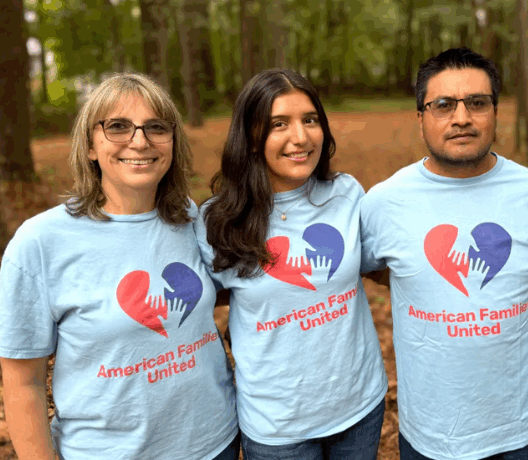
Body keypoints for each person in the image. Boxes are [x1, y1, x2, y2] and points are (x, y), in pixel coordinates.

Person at [0, 73, 239, 460]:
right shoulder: (41, 243)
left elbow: (229, 288)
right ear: (90, 146)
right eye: (118, 127)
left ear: (173, 142)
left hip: (215, 444)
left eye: (156, 127)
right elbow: (22, 382)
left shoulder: (188, 218)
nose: (140, 141)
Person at [360, 48, 528, 460]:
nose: (462, 117)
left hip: (520, 429)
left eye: (477, 103)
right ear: (420, 117)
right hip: (430, 433)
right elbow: (374, 269)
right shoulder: (384, 203)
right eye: (444, 104)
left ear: (496, 112)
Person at [194, 69, 387, 460]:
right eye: (278, 124)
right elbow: (204, 303)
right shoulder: (217, 221)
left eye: (310, 120)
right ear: (251, 137)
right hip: (278, 427)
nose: (300, 137)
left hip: (360, 407)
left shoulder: (346, 194)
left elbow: (377, 266)